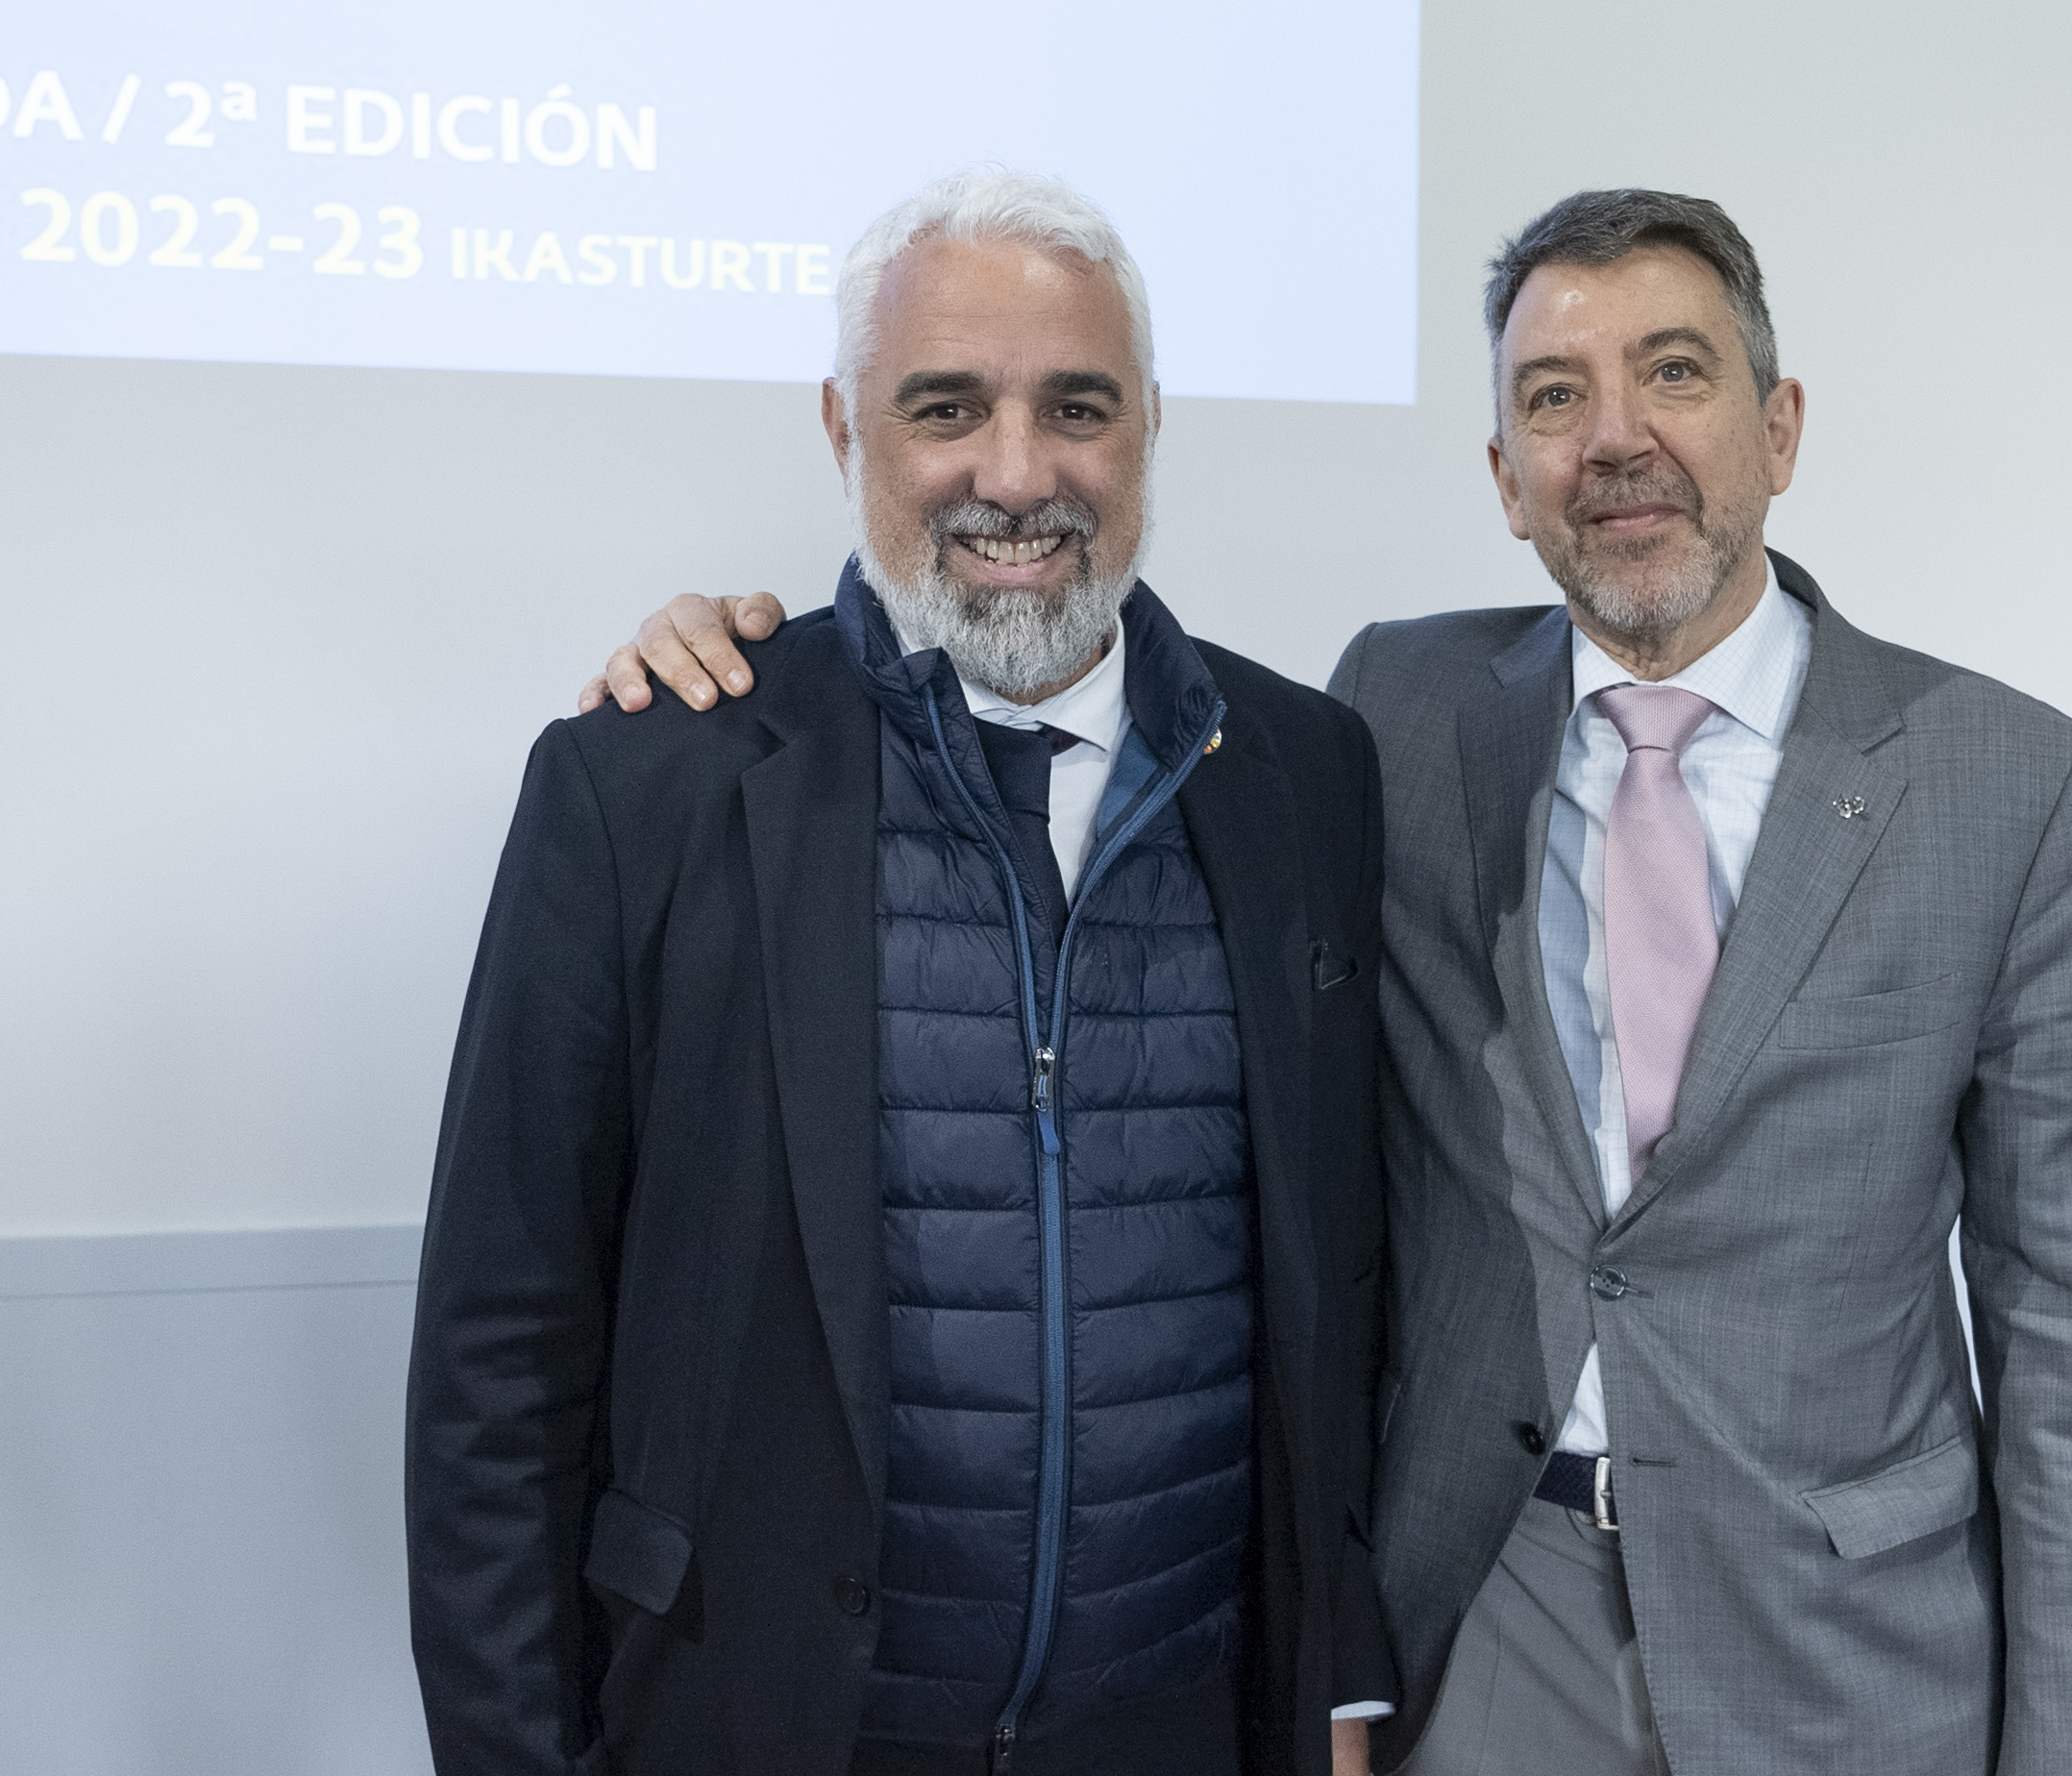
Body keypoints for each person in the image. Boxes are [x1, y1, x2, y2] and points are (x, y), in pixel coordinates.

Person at [589, 188, 2072, 1776]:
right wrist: (739, 646)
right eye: (1553, 397)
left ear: (1781, 426)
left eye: (1676, 372)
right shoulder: (1391, 720)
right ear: (1504, 479)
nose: (1616, 439)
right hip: (1481, 1621)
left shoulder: (2010, 785)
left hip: (1850, 1646)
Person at [407, 168, 1393, 1776]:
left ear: (1149, 426)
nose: (1016, 473)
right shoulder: (646, 784)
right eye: (946, 407)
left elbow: (1344, 1291)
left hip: (1176, 1725)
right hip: (771, 1723)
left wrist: (1339, 1683)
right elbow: (498, 1360)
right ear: (842, 426)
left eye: (1078, 407)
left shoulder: (1305, 772)